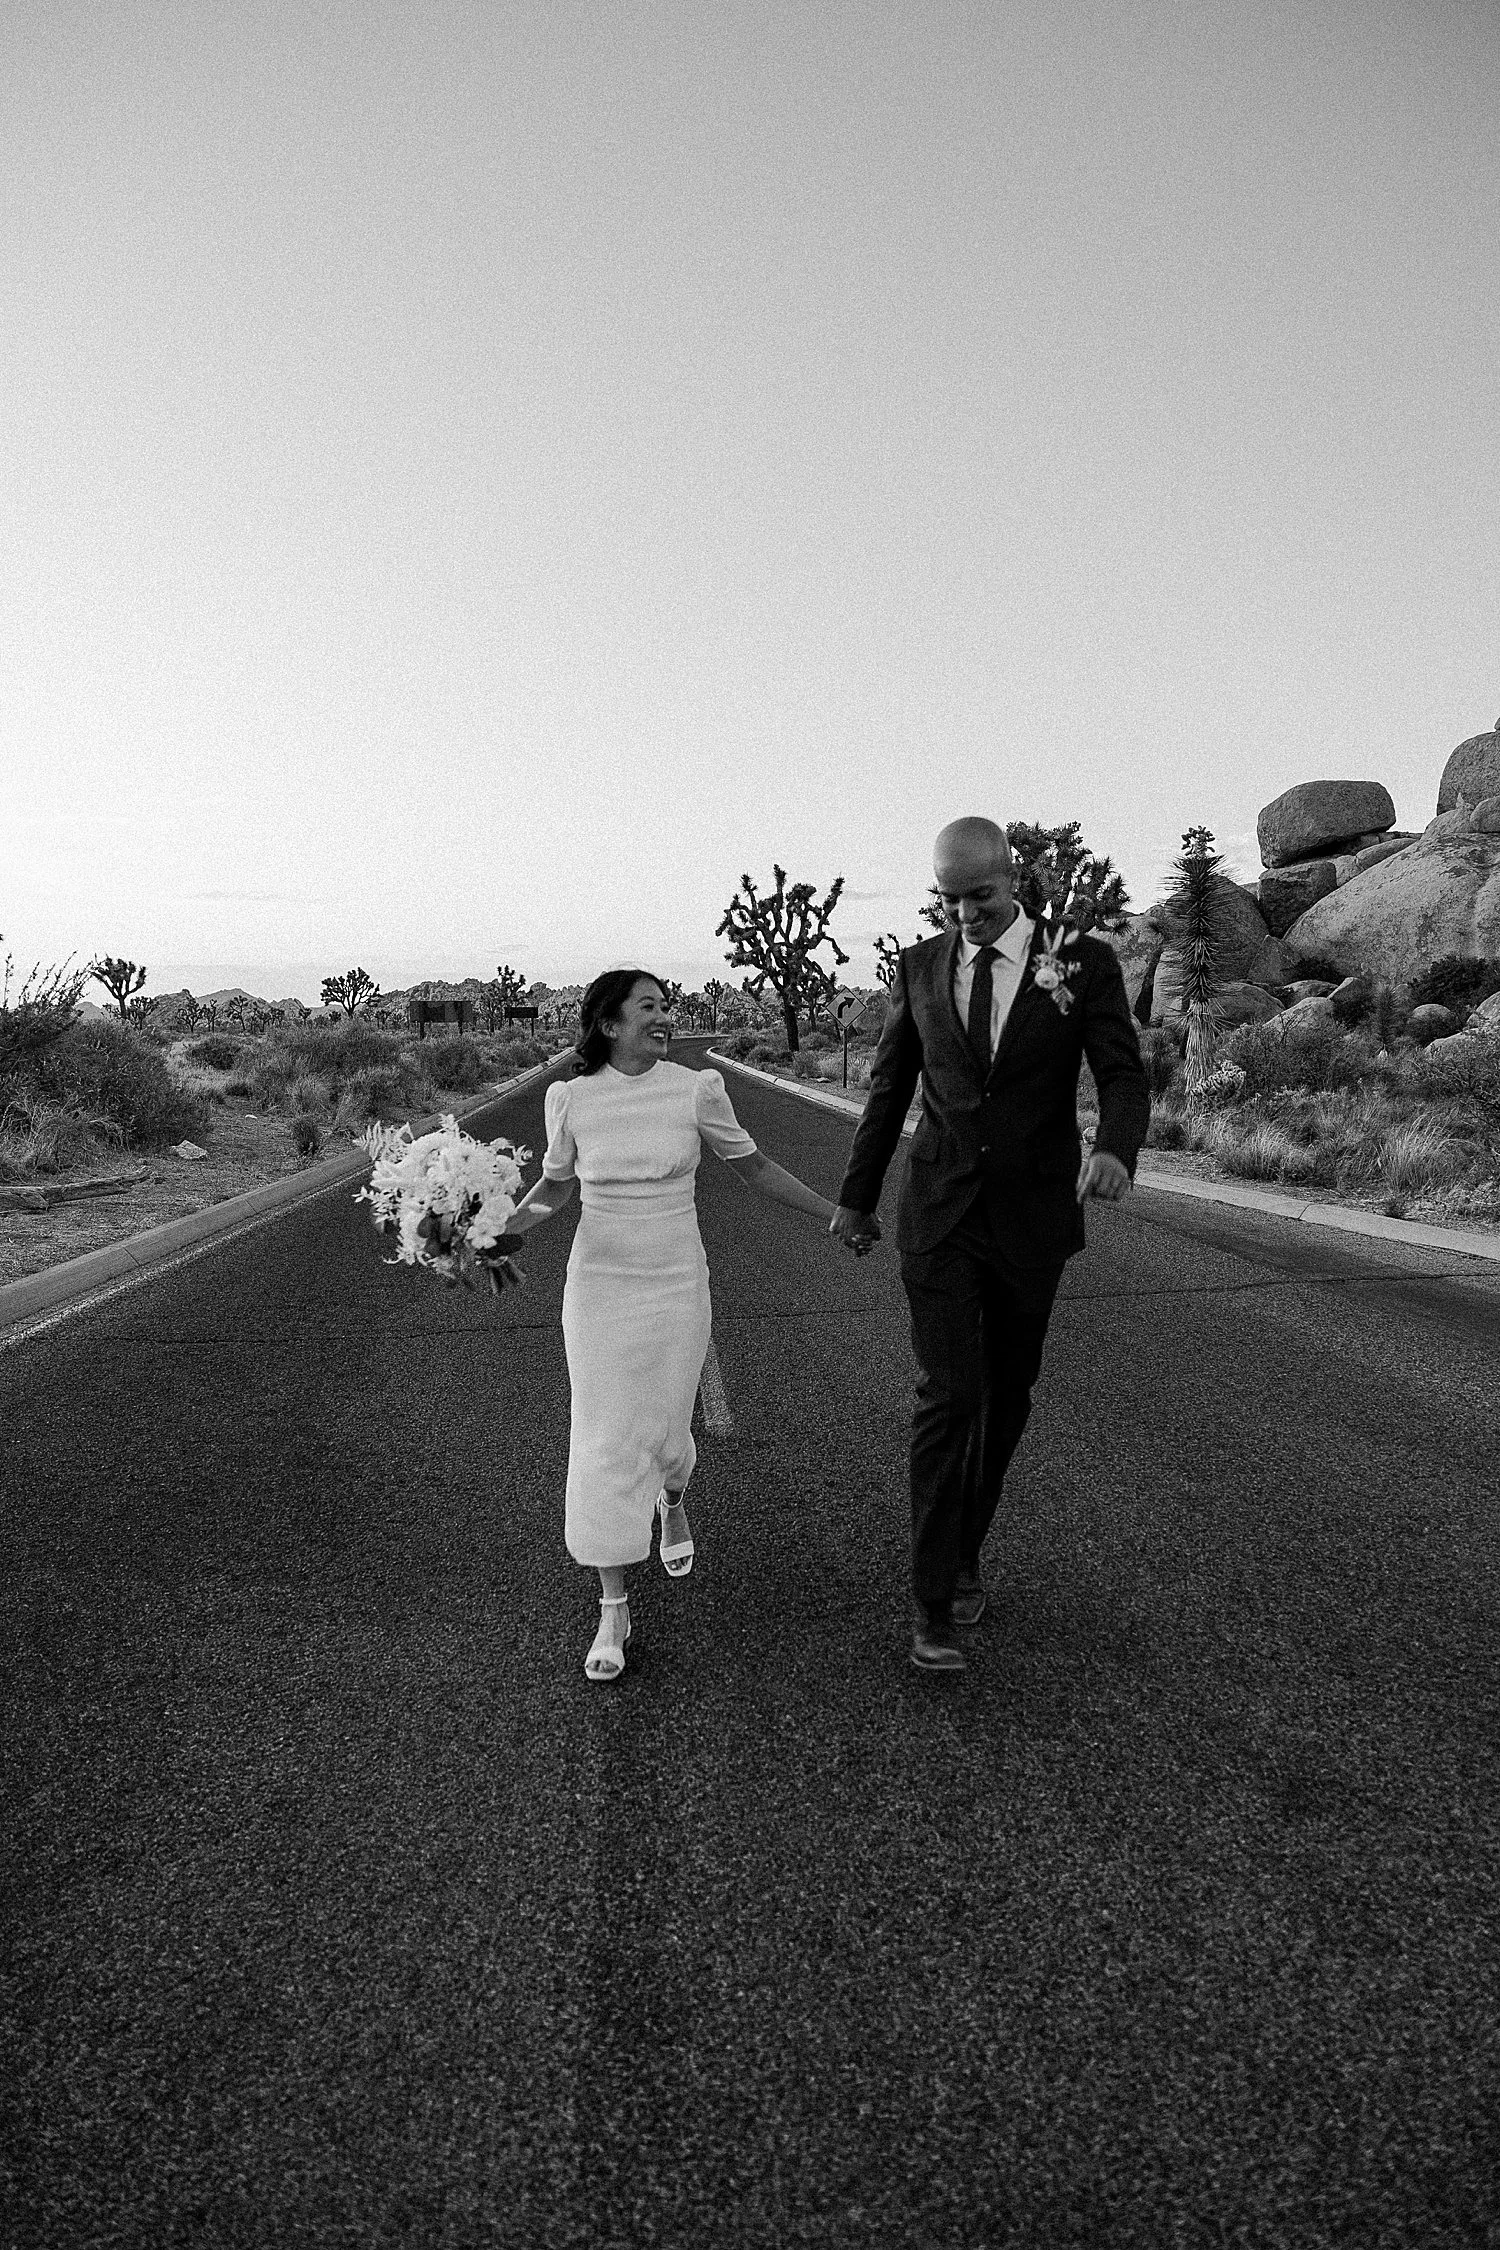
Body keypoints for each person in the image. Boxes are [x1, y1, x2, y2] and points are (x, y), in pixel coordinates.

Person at [830, 816, 1150, 1673]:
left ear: (1014, 881)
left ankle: (967, 1546)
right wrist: (857, 1199)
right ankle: (930, 1600)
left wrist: (1116, 1147)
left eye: (981, 896)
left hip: (1031, 1218)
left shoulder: (1078, 963)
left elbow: (1122, 1069)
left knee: (1008, 1397)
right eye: (948, 898)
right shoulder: (922, 967)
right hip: (938, 1212)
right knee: (950, 1395)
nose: (965, 914)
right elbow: (892, 1085)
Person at [504, 969, 854, 1682]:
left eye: (668, 1006)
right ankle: (613, 1605)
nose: (666, 1017)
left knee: (664, 1431)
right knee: (602, 1434)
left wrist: (832, 1212)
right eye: (649, 1008)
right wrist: (496, 1234)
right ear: (608, 1023)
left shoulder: (694, 1090)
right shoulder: (570, 1099)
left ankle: (672, 1500)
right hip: (599, 1286)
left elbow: (753, 1169)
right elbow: (557, 1185)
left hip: (674, 1285)